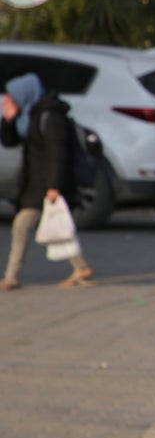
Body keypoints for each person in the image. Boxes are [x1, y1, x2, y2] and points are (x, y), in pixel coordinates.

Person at [1, 73, 95, 290]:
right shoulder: (28, 116)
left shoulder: (51, 116)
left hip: (49, 183)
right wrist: (8, 120)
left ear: (25, 94)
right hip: (35, 183)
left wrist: (54, 186)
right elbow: (10, 141)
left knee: (22, 225)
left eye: (12, 97)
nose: (8, 101)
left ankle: (11, 276)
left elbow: (58, 154)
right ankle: (81, 267)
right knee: (57, 226)